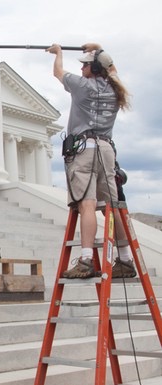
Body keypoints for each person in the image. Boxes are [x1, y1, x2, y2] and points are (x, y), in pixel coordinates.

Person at [46, 43, 134, 279]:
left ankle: (86, 259)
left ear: (93, 67)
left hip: (84, 149)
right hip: (106, 150)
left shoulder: (82, 85)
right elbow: (112, 66)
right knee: (112, 207)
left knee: (87, 204)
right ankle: (125, 259)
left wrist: (58, 53)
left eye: (85, 64)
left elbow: (57, 72)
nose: (83, 67)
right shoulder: (115, 88)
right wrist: (100, 48)